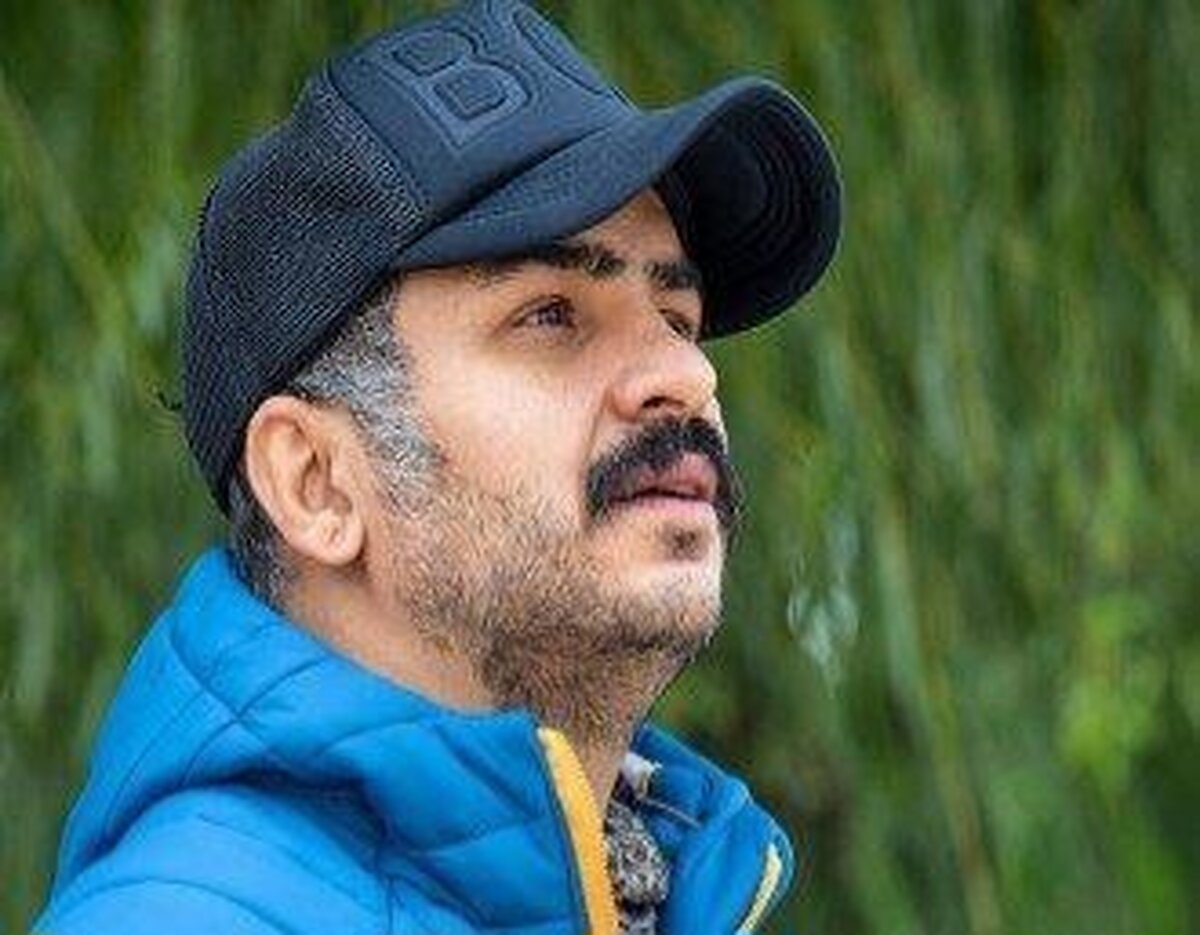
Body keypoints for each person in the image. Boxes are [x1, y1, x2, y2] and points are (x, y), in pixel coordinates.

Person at [34, 1, 840, 933]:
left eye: (676, 319)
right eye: (550, 315)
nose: (688, 377)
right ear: (315, 482)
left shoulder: (672, 894)